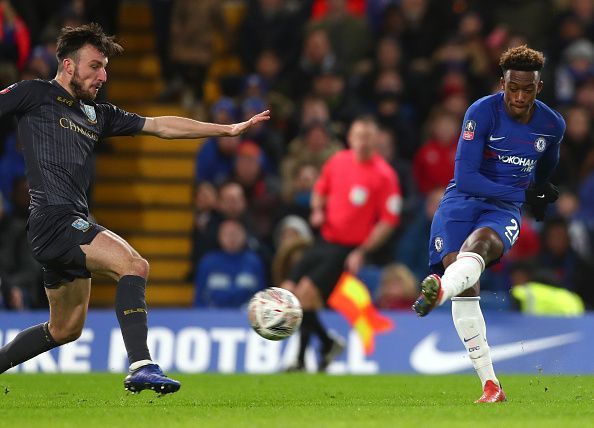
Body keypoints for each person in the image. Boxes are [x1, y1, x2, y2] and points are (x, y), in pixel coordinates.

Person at [0, 23, 269, 394]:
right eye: (94, 66)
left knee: (64, 329)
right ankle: (141, 364)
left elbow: (161, 126)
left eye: (105, 67)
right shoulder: (34, 93)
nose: (103, 75)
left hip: (69, 222)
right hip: (53, 218)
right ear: (67, 65)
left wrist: (226, 130)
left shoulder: (98, 115)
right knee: (134, 265)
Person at [412, 45, 565, 403]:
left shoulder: (552, 124)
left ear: (538, 88)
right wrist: (525, 195)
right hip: (461, 202)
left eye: (527, 89)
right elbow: (465, 177)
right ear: (503, 83)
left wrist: (539, 190)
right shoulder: (481, 112)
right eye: (513, 88)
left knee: (477, 249)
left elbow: (547, 163)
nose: (519, 96)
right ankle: (491, 385)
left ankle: (438, 290)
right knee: (466, 284)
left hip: (503, 210)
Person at [281, 116, 402, 372]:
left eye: (368, 137)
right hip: (324, 240)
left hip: (346, 249)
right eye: (358, 136)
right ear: (350, 138)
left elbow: (388, 220)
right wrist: (317, 209)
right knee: (290, 290)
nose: (363, 142)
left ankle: (303, 358)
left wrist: (362, 251)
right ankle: (324, 345)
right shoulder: (338, 161)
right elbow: (320, 190)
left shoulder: (384, 175)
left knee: (304, 295)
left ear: (376, 140)